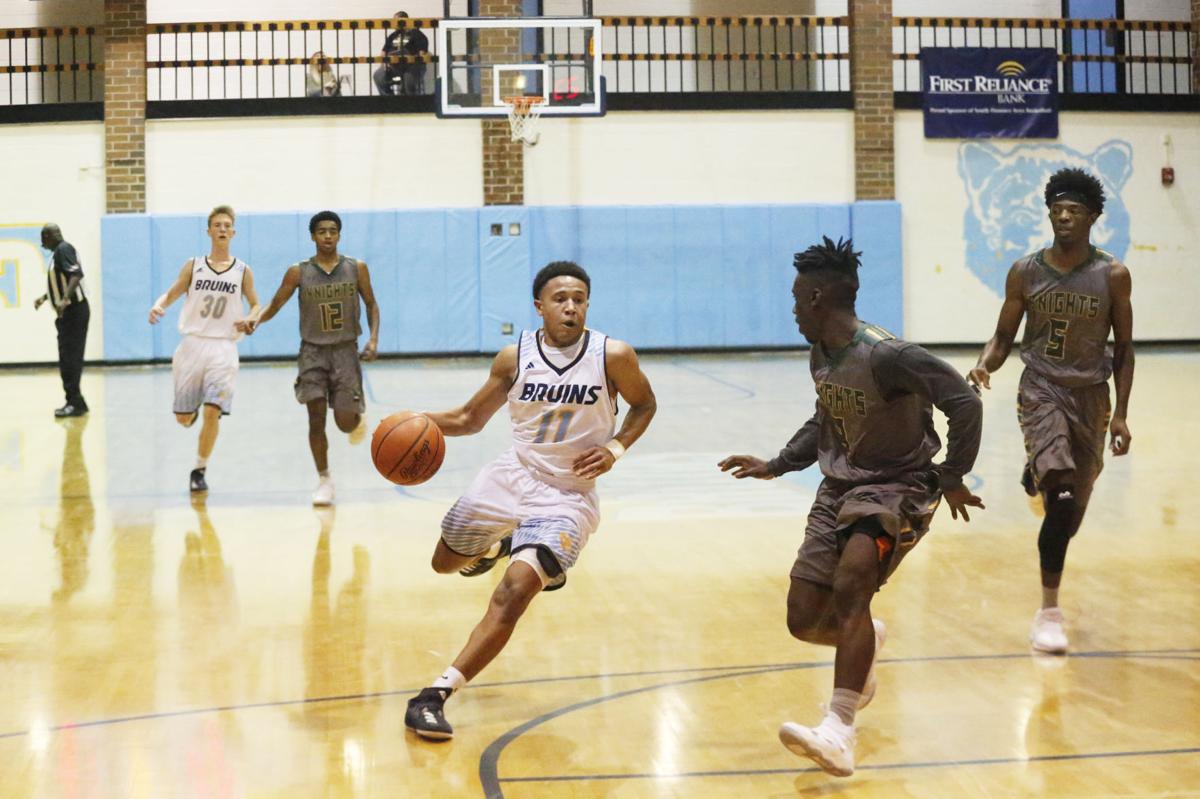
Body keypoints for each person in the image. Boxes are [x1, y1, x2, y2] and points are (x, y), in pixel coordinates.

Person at [718, 236, 984, 778]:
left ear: (817, 297)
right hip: (838, 488)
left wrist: (952, 475)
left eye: (797, 299)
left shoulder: (888, 354)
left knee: (853, 582)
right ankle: (868, 640)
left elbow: (964, 402)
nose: (792, 309)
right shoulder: (822, 352)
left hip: (898, 485)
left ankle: (839, 730)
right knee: (803, 619)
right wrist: (778, 464)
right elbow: (826, 419)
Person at [403, 260, 657, 741]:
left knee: (515, 591)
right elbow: (469, 418)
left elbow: (646, 404)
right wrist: (415, 419)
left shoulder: (613, 355)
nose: (571, 306)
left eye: (579, 298)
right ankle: (500, 545)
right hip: (510, 477)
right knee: (444, 563)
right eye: (560, 299)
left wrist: (615, 447)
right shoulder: (513, 357)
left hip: (566, 496)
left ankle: (435, 695)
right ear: (539, 306)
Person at [968, 167, 1134, 655]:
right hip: (1042, 389)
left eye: (1074, 210)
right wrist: (984, 364)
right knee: (1061, 497)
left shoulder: (1113, 275)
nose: (1063, 216)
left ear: (1093, 217)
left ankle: (1040, 475)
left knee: (1071, 511)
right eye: (1056, 209)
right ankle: (1049, 613)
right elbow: (1003, 335)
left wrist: (1121, 413)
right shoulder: (1025, 270)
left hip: (1091, 397)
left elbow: (1124, 347)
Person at [241, 211, 380, 506]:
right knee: (315, 419)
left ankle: (355, 420)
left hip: (345, 351)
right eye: (321, 231)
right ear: (313, 236)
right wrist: (256, 321)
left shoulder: (357, 268)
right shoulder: (298, 272)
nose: (327, 235)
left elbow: (371, 304)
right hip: (312, 353)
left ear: (339, 235)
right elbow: (276, 303)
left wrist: (373, 338)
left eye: (332, 231)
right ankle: (324, 479)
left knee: (344, 423)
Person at [148, 205, 262, 493]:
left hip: (223, 348)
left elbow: (256, 304)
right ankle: (191, 410)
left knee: (214, 410)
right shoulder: (194, 265)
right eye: (217, 225)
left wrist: (251, 318)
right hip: (191, 346)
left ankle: (199, 469)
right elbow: (173, 292)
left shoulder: (243, 270)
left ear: (233, 232)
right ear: (209, 231)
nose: (222, 229)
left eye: (227, 225)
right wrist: (159, 305)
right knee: (184, 419)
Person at [34, 223, 89, 417]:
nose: (42, 242)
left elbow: (75, 275)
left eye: (43, 238)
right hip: (69, 313)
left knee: (70, 359)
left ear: (51, 236)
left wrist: (65, 298)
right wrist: (45, 297)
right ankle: (77, 401)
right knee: (68, 357)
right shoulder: (59, 252)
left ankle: (74, 402)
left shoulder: (63, 249)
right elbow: (61, 281)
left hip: (74, 311)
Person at [373, 11, 429, 96]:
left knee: (408, 81)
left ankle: (410, 104)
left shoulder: (416, 34)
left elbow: (422, 53)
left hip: (411, 67)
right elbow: (384, 51)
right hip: (395, 67)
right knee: (378, 76)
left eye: (395, 21)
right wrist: (385, 63)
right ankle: (390, 101)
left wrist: (411, 58)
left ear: (404, 20)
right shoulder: (393, 36)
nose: (394, 23)